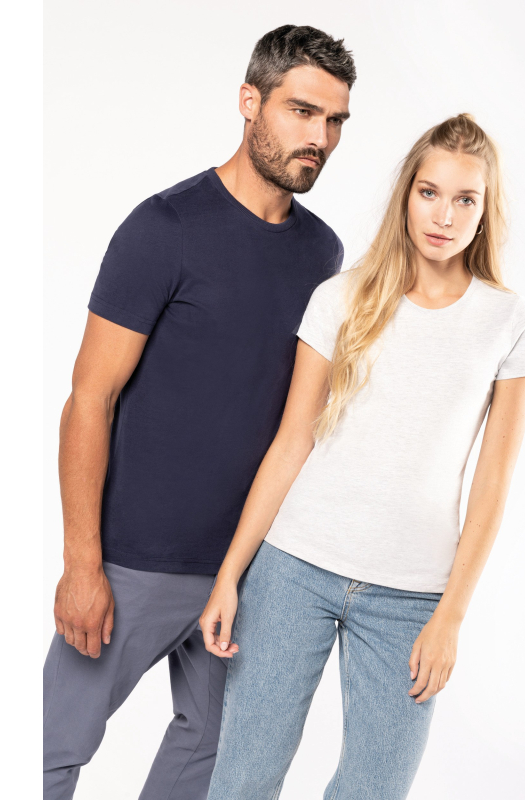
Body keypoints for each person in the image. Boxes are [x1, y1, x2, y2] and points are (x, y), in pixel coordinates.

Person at [43, 25, 356, 800]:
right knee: (47, 750)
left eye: (335, 120)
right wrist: (83, 565)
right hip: (134, 563)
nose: (319, 138)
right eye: (302, 111)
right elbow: (89, 398)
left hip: (249, 570)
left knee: (213, 755)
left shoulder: (322, 255)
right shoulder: (165, 229)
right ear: (250, 101)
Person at [199, 113, 525, 800]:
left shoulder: (509, 323)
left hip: (411, 595)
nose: (443, 216)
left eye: (465, 199)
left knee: (375, 788)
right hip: (293, 569)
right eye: (429, 192)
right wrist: (230, 575)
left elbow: (492, 486)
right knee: (244, 779)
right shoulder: (342, 297)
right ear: (406, 195)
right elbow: (291, 441)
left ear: (486, 209)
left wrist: (451, 617)